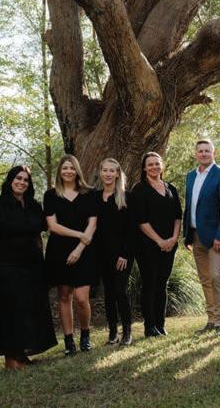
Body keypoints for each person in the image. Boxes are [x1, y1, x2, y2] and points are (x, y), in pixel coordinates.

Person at [0, 166, 57, 369]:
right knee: (10, 309)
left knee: (29, 308)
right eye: (18, 178)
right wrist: (2, 248)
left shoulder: (33, 206)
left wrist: (41, 257)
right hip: (8, 266)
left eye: (26, 180)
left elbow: (38, 235)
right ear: (10, 180)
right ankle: (10, 359)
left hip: (33, 265)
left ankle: (22, 355)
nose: (22, 182)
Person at [44, 154, 98, 355]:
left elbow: (93, 224)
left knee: (82, 298)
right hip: (59, 251)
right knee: (64, 296)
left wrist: (79, 248)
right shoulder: (51, 195)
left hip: (84, 251)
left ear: (77, 171)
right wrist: (79, 235)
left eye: (72, 168)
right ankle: (69, 342)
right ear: (59, 171)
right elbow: (53, 226)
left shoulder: (89, 194)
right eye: (64, 168)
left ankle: (85, 336)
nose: (68, 171)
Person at [183, 139, 220, 337]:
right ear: (196, 154)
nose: (204, 154)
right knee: (205, 279)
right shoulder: (191, 176)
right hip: (196, 235)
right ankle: (211, 320)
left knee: (215, 277)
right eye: (200, 151)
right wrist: (188, 236)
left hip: (216, 238)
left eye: (207, 151)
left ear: (214, 153)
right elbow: (189, 207)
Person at [132, 152, 182, 338]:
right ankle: (150, 326)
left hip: (169, 245)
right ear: (144, 168)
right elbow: (141, 220)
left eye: (157, 163)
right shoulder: (139, 189)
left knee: (162, 284)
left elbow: (178, 216)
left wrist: (173, 238)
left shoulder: (171, 188)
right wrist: (159, 240)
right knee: (150, 284)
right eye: (150, 164)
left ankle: (161, 324)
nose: (154, 167)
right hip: (147, 245)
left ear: (162, 166)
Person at [95, 158, 134, 345]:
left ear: (118, 174)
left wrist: (125, 254)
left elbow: (131, 228)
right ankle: (113, 332)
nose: (108, 174)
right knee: (109, 293)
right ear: (100, 173)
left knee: (120, 291)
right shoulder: (95, 197)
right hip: (101, 254)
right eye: (105, 170)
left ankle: (127, 331)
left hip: (122, 254)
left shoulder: (126, 197)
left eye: (112, 170)